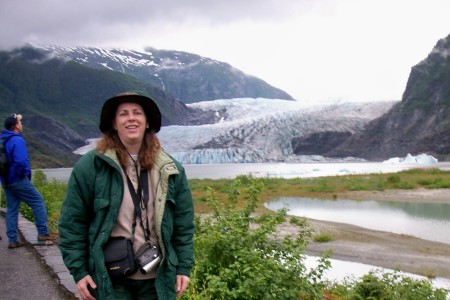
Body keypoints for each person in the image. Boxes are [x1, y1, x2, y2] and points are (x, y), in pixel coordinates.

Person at [58, 92, 195, 300]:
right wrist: (79, 271)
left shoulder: (170, 169)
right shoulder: (91, 166)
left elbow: (183, 225)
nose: (131, 118)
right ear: (113, 123)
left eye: (137, 113)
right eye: (123, 114)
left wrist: (183, 267)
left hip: (157, 278)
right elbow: (72, 222)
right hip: (111, 278)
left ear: (147, 122)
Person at [1, 113, 59, 249]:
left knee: (11, 209)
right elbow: (21, 161)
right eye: (19, 122)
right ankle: (43, 234)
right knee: (38, 202)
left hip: (6, 181)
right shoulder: (17, 140)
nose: (21, 124)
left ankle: (12, 240)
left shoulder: (3, 140)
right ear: (15, 126)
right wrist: (22, 176)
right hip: (17, 179)